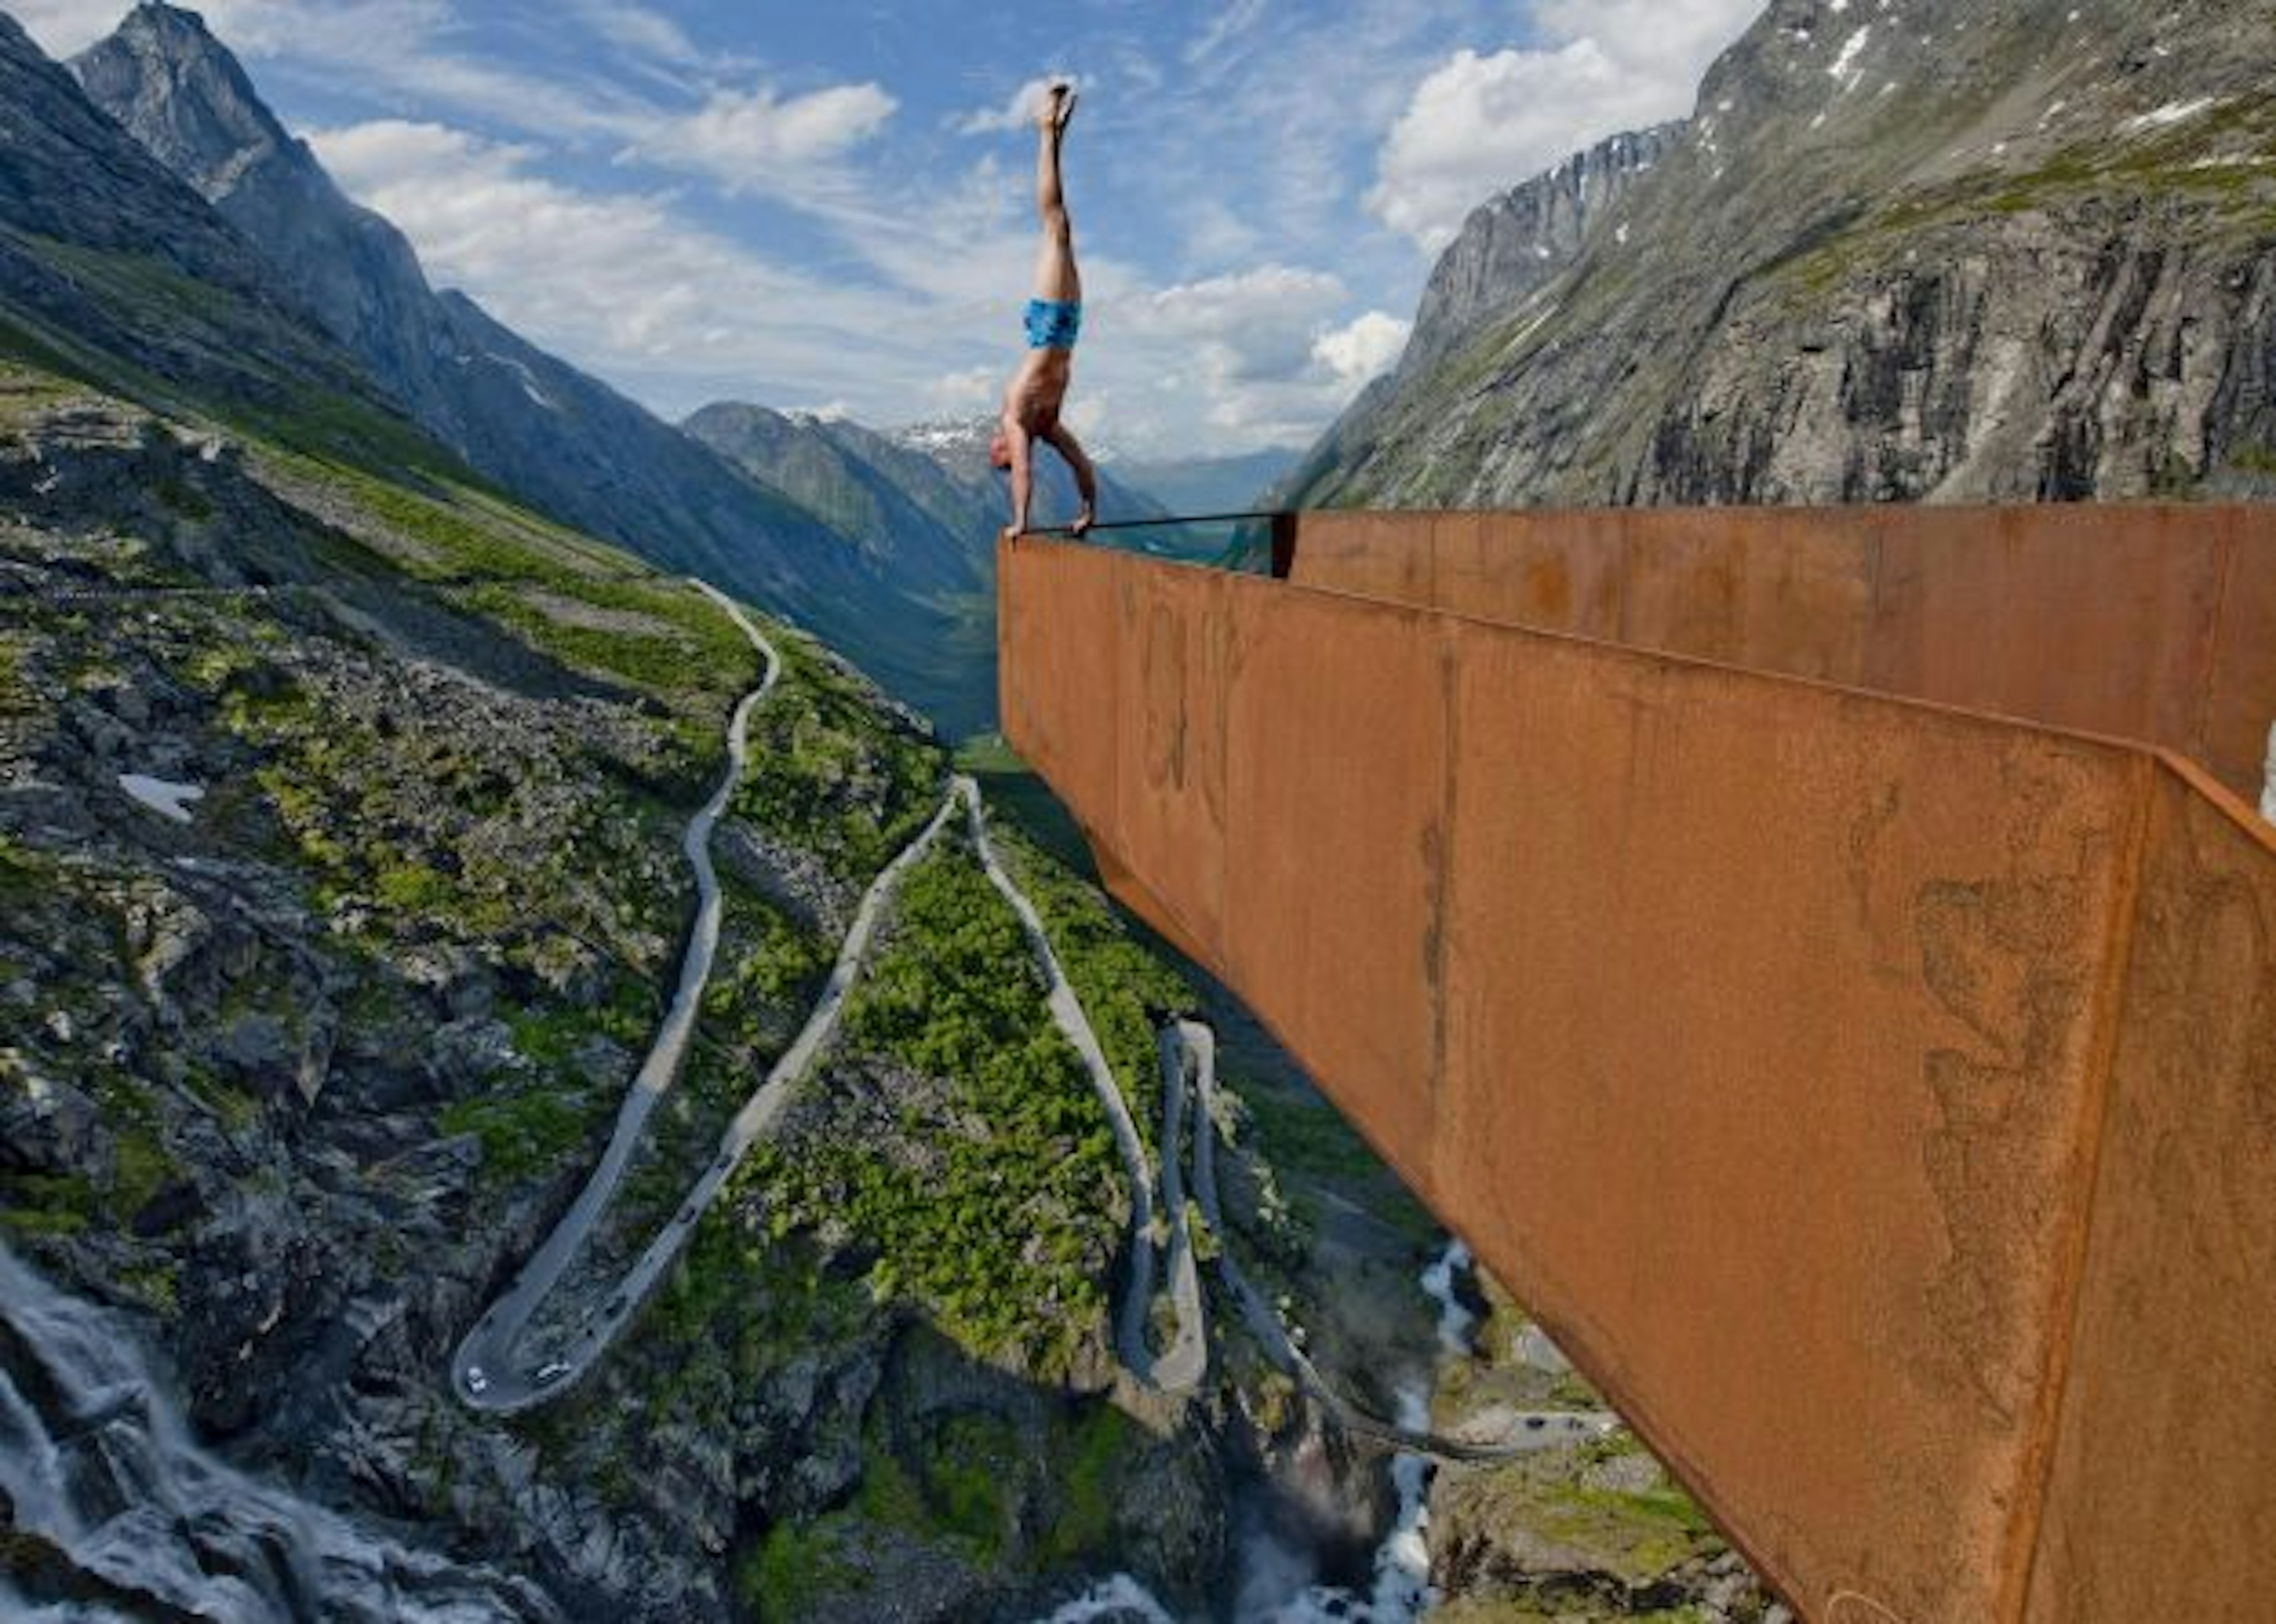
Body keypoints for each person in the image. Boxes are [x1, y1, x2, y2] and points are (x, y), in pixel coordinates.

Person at [992, 81, 1097, 538]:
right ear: (1010, 451)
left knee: (1057, 227)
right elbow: (1076, 463)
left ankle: (1047, 132)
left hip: (1048, 328)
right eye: (998, 455)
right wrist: (1088, 509)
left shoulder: (1019, 414)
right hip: (1064, 329)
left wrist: (1021, 522)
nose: (993, 449)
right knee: (1059, 227)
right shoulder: (1042, 424)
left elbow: (1030, 473)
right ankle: (1050, 135)